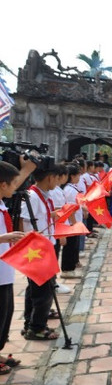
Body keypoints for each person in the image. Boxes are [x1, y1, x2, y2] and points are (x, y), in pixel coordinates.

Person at [0, 157, 35, 366]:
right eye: (14, 183)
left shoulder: (3, 204)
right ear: (3, 185)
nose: (17, 187)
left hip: (4, 270)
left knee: (5, 312)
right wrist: (4, 238)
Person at [21, 165, 62, 340]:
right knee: (43, 291)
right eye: (57, 177)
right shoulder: (32, 196)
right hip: (36, 250)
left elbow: (38, 217)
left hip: (44, 247)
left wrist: (53, 215)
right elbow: (23, 221)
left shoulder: (42, 196)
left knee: (36, 289)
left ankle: (30, 323)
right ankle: (36, 327)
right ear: (50, 177)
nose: (58, 181)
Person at [60, 164, 83, 274]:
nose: (79, 178)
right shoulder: (70, 190)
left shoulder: (72, 188)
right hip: (71, 222)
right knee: (69, 246)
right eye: (78, 175)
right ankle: (67, 268)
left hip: (74, 220)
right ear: (72, 176)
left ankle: (72, 264)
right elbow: (70, 209)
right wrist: (74, 223)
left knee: (74, 245)